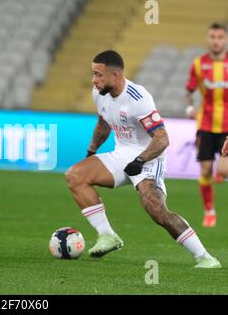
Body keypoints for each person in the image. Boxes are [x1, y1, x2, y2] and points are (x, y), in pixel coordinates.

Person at [65, 50, 221, 268]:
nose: (94, 80)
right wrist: (91, 153)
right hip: (121, 155)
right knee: (75, 175)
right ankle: (108, 236)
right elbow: (103, 124)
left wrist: (140, 161)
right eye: (93, 74)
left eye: (98, 75)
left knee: (157, 210)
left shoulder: (138, 98)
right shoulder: (98, 93)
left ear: (115, 76)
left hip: (149, 157)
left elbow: (162, 139)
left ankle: (204, 257)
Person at [185, 22, 228, 227]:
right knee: (204, 171)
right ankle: (209, 210)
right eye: (213, 37)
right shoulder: (198, 64)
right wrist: (189, 108)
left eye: (220, 37)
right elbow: (189, 90)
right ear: (207, 39)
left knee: (224, 169)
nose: (216, 41)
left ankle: (221, 172)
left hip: (227, 127)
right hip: (205, 125)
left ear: (225, 39)